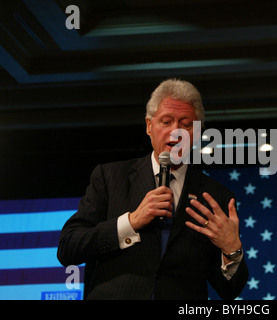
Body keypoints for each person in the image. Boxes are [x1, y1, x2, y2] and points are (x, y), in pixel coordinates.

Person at [57, 79, 248, 300]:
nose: (175, 132)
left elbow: (230, 290)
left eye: (185, 124)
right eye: (166, 122)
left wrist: (232, 250)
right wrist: (131, 222)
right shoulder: (110, 177)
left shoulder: (216, 197)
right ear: (149, 126)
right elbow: (68, 248)